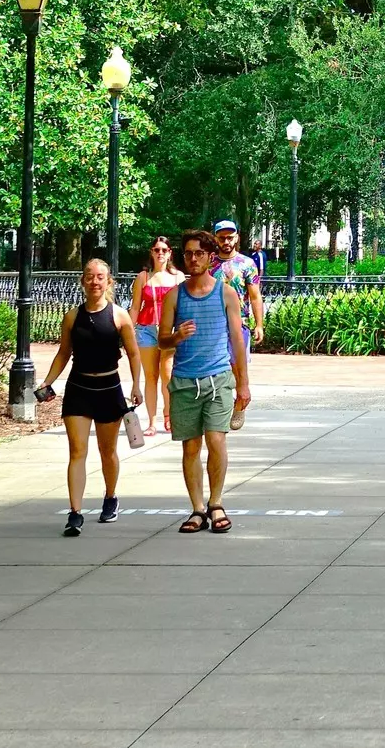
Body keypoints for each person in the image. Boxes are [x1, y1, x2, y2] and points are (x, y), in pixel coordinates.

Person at [36, 258, 144, 535]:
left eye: (100, 277)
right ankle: (75, 513)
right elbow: (63, 353)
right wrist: (48, 382)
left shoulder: (119, 316)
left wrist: (136, 385)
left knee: (107, 451)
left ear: (109, 282)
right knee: (77, 451)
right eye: (89, 276)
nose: (95, 281)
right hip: (79, 389)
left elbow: (133, 353)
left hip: (109, 389)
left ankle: (110, 497)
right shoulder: (72, 317)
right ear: (82, 281)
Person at [163, 228, 252, 534]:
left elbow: (238, 341)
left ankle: (216, 503)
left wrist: (243, 383)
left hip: (218, 379)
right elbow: (162, 341)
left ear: (210, 257)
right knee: (190, 448)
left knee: (216, 440)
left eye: (199, 253)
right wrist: (176, 335)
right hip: (186, 382)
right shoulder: (175, 295)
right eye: (188, 253)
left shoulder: (225, 292)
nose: (193, 259)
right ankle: (197, 508)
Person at [130, 235, 182, 434]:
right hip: (146, 328)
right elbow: (135, 307)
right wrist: (128, 333)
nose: (160, 253)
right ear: (151, 252)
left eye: (164, 250)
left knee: (167, 374)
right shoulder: (143, 277)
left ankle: (168, 414)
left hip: (169, 330)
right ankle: (152, 422)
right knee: (150, 377)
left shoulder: (178, 277)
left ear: (170, 253)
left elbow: (184, 306)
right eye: (156, 250)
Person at [210, 218, 266, 349]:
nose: (226, 242)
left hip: (240, 324)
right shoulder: (209, 264)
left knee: (239, 367)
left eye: (230, 238)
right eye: (222, 238)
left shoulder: (247, 264)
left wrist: (259, 325)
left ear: (236, 238)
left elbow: (255, 296)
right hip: (213, 325)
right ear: (216, 239)